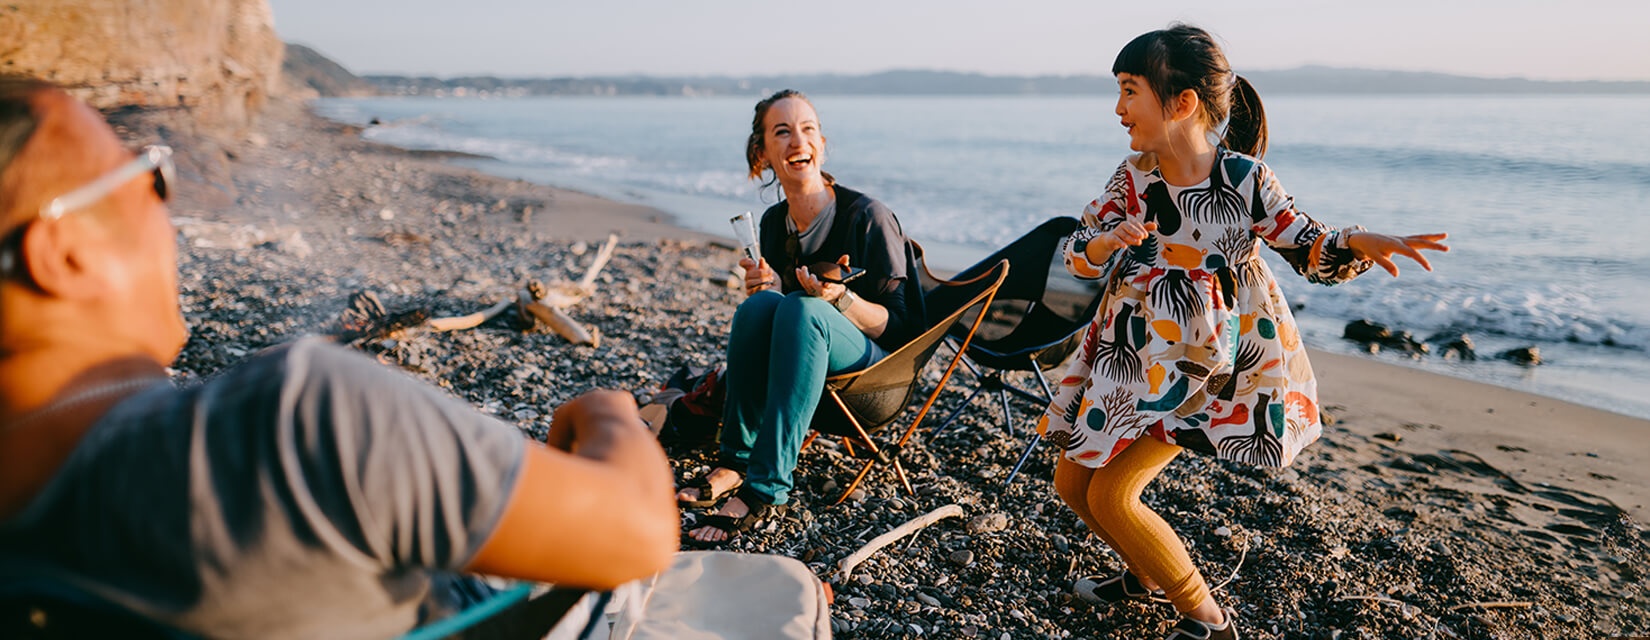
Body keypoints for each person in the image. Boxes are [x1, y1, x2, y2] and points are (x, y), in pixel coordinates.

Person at [0, 77, 678, 638]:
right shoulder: (288, 421)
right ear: (63, 257)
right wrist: (606, 410)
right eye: (150, 175)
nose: (164, 205)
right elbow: (643, 531)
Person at [1037, 26, 1448, 640]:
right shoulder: (1133, 179)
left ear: (1181, 103)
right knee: (1072, 481)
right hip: (1130, 354)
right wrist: (1102, 242)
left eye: (1129, 91)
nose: (1118, 109)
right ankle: (1144, 571)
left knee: (1114, 496)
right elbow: (1075, 252)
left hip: (1206, 369)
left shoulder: (1243, 179)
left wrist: (1359, 241)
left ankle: (1206, 619)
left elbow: (1310, 245)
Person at [678, 90, 925, 546]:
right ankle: (735, 461)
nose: (798, 140)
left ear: (822, 144)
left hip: (876, 384)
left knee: (804, 307)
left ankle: (768, 487)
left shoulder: (867, 217)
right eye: (782, 131)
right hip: (809, 383)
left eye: (808, 128)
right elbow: (779, 320)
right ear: (763, 153)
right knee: (761, 306)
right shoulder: (773, 224)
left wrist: (840, 300)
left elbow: (905, 330)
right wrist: (766, 289)